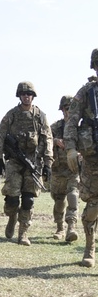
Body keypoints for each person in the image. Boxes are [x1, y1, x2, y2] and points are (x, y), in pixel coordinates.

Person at [0, 82, 51, 246]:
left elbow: (47, 139)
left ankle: (23, 233)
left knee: (28, 199)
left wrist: (47, 163)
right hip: (15, 162)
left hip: (34, 162)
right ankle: (12, 217)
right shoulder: (11, 115)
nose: (26, 96)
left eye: (29, 94)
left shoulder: (40, 116)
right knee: (12, 198)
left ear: (33, 96)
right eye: (23, 94)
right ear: (19, 95)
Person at [63, 50, 98, 266]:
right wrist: (70, 149)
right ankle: (89, 247)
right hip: (93, 155)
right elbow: (72, 121)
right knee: (93, 204)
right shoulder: (86, 92)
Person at [50, 95, 80, 242]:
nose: (70, 112)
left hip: (73, 170)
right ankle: (60, 227)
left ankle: (71, 227)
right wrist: (54, 141)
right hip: (57, 169)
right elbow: (42, 140)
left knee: (73, 196)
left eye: (72, 108)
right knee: (59, 201)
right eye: (67, 109)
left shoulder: (80, 128)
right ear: (62, 110)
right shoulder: (55, 127)